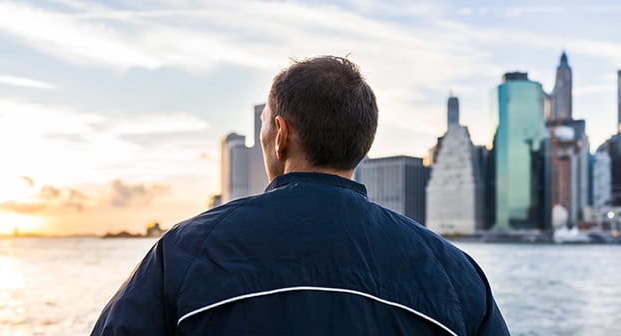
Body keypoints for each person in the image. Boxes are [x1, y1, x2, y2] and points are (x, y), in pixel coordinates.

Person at [91, 56, 510, 335]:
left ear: (281, 136)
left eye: (264, 128)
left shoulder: (184, 253)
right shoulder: (454, 275)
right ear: (362, 143)